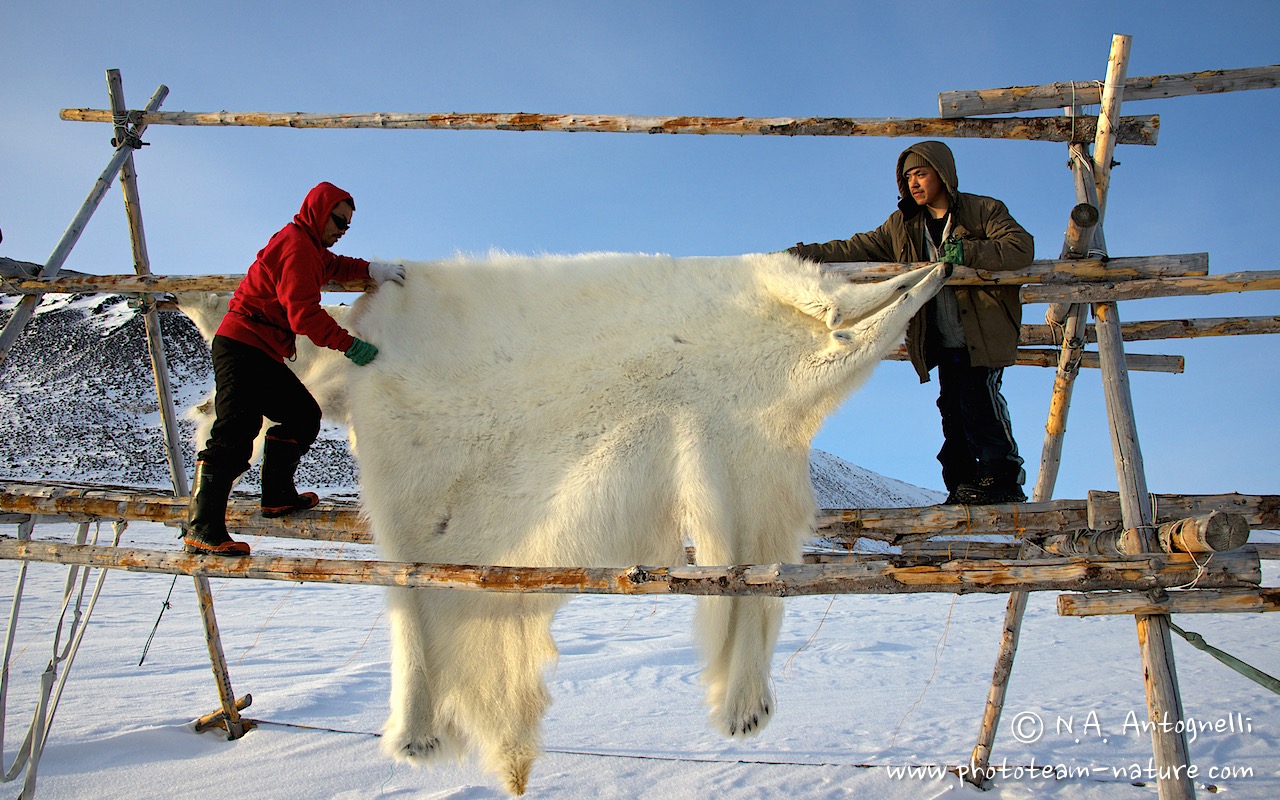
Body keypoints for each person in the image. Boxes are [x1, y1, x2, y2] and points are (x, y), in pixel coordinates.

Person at [789, 141, 1034, 504]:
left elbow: (1020, 248)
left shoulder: (982, 211)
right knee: (951, 410)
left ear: (943, 175)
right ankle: (962, 485)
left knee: (980, 402)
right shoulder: (902, 225)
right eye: (908, 177)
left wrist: (969, 252)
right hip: (942, 337)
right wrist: (802, 254)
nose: (914, 183)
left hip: (981, 334)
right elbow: (857, 247)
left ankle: (1003, 481)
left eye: (921, 174)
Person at [184, 181, 405, 555]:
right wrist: (349, 345)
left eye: (346, 226)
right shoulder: (297, 245)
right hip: (242, 344)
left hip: (262, 350)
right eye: (337, 220)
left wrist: (372, 269)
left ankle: (276, 495)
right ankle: (202, 528)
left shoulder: (312, 250)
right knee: (235, 432)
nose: (341, 229)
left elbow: (335, 266)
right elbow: (303, 316)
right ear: (318, 212)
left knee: (302, 415)